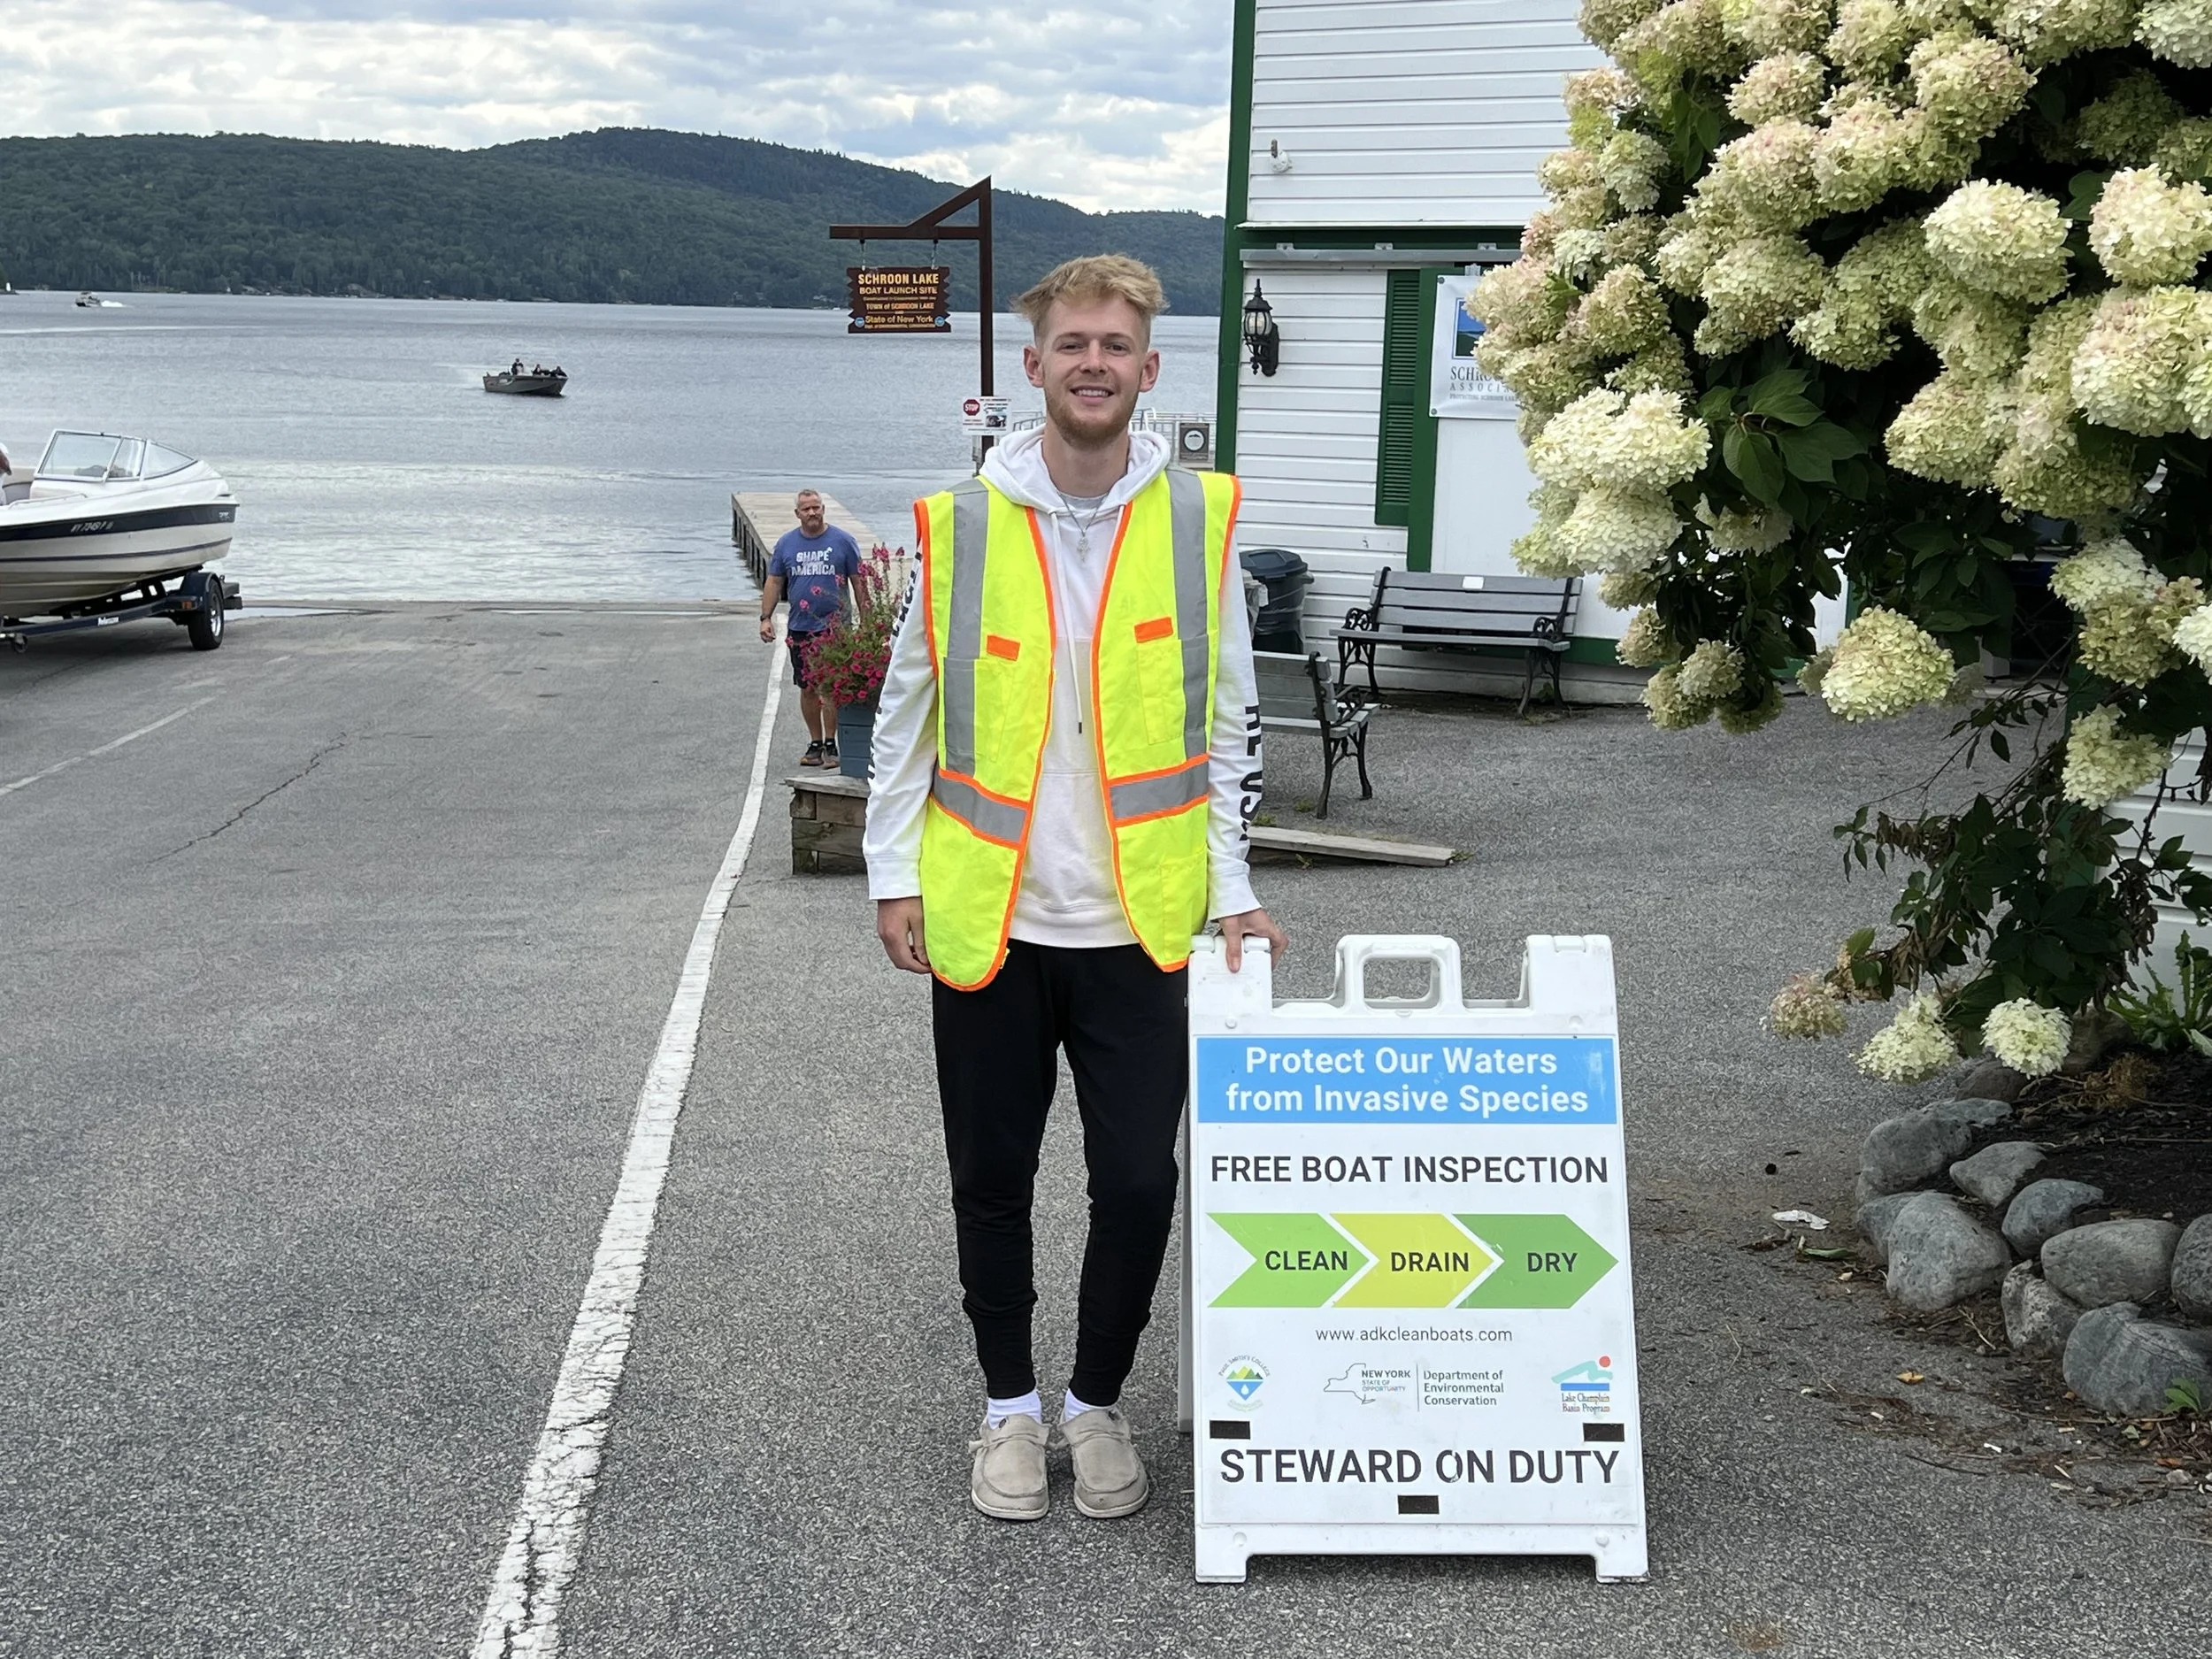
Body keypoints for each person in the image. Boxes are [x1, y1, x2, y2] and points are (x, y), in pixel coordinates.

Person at [864, 255, 1286, 1523]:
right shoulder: (962, 524)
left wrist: (1235, 887)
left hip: (1138, 922)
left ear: (1148, 370)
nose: (1093, 362)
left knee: (1140, 1181)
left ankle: (1094, 1402)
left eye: (1116, 345)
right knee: (990, 1178)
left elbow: (1229, 724)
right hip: (992, 915)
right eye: (1072, 344)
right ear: (1033, 367)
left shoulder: (1196, 520)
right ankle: (1006, 1408)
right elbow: (906, 715)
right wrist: (894, 871)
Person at [759, 488, 864, 765]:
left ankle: (832, 744)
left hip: (834, 628)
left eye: (816, 507)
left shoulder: (843, 541)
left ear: (823, 509)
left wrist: (868, 621)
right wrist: (765, 617)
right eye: (806, 509)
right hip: (800, 627)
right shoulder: (786, 544)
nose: (812, 513)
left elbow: (858, 580)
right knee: (807, 687)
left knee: (829, 687)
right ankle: (815, 743)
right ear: (798, 514)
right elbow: (774, 581)